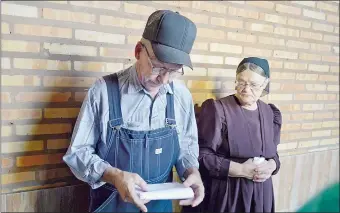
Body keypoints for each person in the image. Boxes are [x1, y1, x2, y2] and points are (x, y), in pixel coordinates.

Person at [63, 10, 204, 213]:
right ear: (138, 51)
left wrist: (192, 171)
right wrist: (114, 175)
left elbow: (187, 147)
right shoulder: (103, 91)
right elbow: (78, 154)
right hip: (111, 203)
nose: (164, 80)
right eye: (157, 66)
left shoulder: (181, 95)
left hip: (160, 207)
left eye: (174, 70)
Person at [184, 57, 282, 212]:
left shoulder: (270, 113)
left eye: (254, 85)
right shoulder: (218, 110)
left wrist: (272, 165)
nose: (246, 89)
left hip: (261, 195)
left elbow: (273, 153)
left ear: (265, 84)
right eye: (241, 82)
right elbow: (202, 156)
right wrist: (242, 170)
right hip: (228, 195)